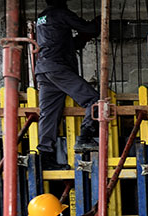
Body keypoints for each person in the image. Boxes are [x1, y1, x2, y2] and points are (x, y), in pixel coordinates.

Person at [34, 0, 101, 170]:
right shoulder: (61, 13)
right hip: (59, 69)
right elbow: (90, 29)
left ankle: (45, 158)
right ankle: (85, 137)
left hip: (44, 69)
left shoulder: (42, 18)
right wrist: (98, 22)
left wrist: (82, 38)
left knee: (48, 114)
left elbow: (65, 45)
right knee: (93, 99)